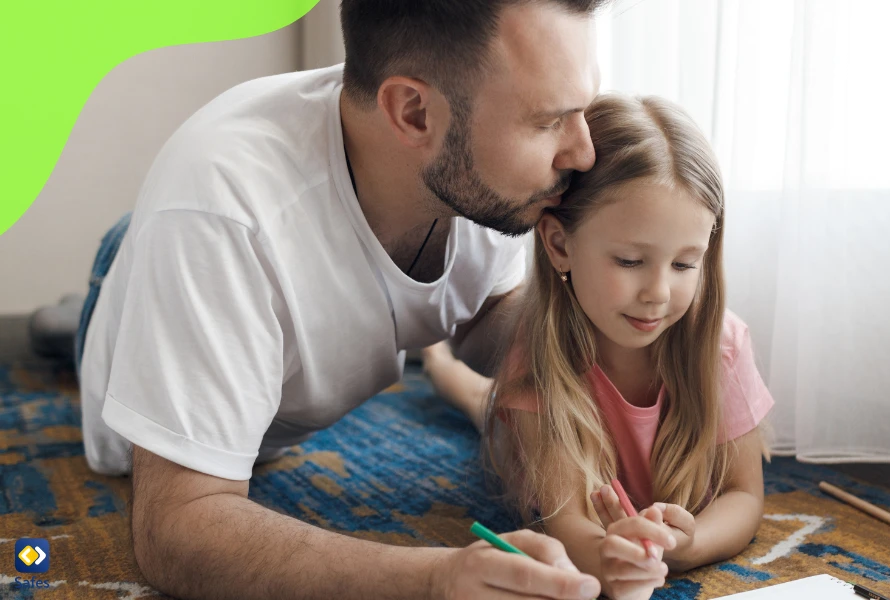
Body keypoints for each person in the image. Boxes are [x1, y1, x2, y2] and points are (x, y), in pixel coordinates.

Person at [74, 1, 612, 598]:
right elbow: (174, 527)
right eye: (547, 123)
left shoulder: (488, 180)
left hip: (239, 257)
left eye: (583, 110)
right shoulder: (222, 212)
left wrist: (631, 353)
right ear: (413, 113)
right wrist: (436, 579)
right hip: (160, 266)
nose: (583, 153)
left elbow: (489, 317)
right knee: (120, 284)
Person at [423, 94, 774, 600]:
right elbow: (570, 528)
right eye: (631, 261)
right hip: (532, 432)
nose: (658, 293)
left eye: (683, 265)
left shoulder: (721, 345)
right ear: (560, 245)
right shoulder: (539, 354)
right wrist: (608, 558)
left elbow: (745, 496)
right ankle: (435, 357)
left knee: (485, 398)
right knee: (476, 398)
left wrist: (685, 547)